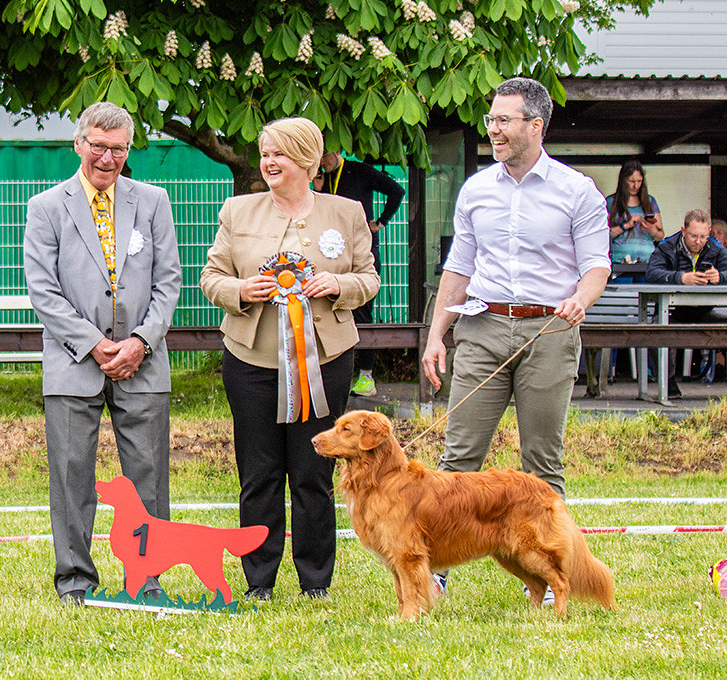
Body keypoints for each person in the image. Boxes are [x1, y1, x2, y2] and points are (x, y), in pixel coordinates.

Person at [421, 77, 610, 601]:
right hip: (481, 327)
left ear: (535, 125)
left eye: (504, 120)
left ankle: (552, 580)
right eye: (491, 120)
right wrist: (437, 336)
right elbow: (459, 268)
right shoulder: (476, 190)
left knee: (542, 463)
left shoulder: (578, 190)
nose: (494, 129)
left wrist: (581, 299)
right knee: (458, 459)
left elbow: (597, 265)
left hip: (549, 331)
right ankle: (435, 571)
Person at [201, 117, 379, 600]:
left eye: (278, 153)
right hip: (250, 363)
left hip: (325, 362)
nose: (268, 162)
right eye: (265, 153)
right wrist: (241, 290)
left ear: (306, 158)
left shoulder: (347, 212)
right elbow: (211, 277)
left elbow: (369, 278)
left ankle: (315, 581)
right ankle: (258, 580)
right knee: (258, 474)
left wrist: (339, 284)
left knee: (313, 472)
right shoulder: (238, 210)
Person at [23, 101, 182, 606]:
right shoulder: (46, 207)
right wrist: (94, 343)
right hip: (73, 364)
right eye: (98, 146)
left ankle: (148, 577)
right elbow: (42, 290)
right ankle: (75, 580)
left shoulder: (153, 201)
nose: (107, 158)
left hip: (144, 363)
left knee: (148, 477)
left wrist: (141, 342)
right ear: (79, 144)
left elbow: (168, 281)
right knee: (72, 476)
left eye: (118, 149)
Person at [315, 151, 405, 396]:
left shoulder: (359, 170)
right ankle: (327, 373)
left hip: (361, 253)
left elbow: (397, 191)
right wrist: (318, 189)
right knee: (326, 310)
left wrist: (381, 222)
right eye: (318, 157)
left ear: (337, 150)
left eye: (325, 155)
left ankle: (366, 376)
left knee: (362, 312)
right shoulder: (319, 179)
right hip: (328, 254)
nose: (321, 161)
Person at [645, 209, 727, 395]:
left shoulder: (716, 248)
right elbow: (651, 274)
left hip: (705, 312)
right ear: (683, 231)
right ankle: (668, 385)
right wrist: (680, 278)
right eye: (693, 236)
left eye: (703, 237)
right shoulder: (666, 247)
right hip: (671, 312)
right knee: (657, 328)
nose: (698, 241)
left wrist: (720, 277)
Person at [606, 160, 664, 275]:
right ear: (623, 180)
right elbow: (604, 235)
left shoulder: (650, 201)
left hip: (646, 262)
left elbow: (661, 236)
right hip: (619, 264)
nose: (636, 186)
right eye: (632, 181)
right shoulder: (611, 202)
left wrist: (651, 230)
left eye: (639, 181)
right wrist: (626, 226)